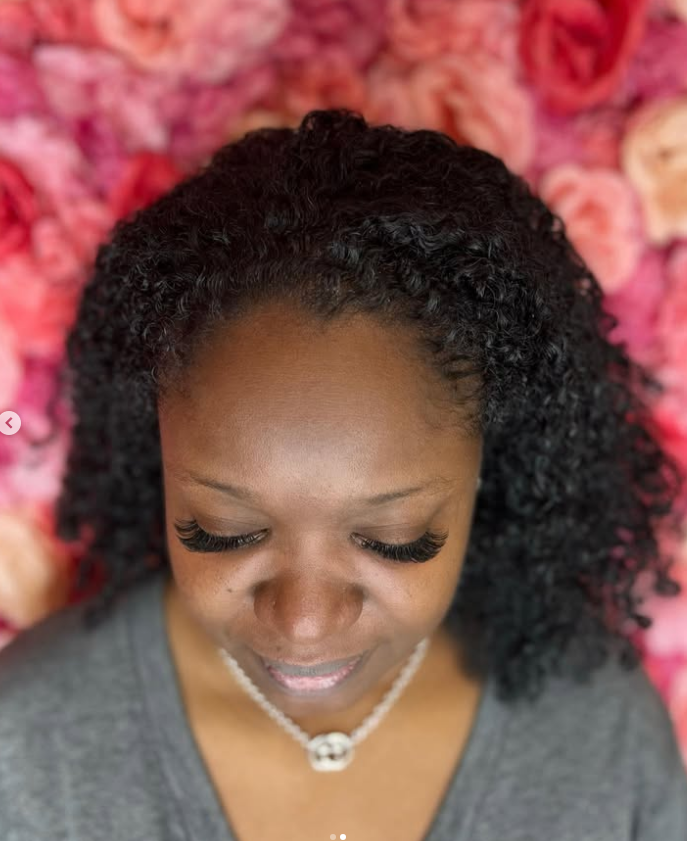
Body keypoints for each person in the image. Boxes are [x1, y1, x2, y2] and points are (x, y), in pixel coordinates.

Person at [0, 107, 686, 841]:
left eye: (393, 537)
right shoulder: (28, 746)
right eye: (223, 531)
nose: (302, 622)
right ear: (159, 464)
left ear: (492, 471)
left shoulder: (599, 739)